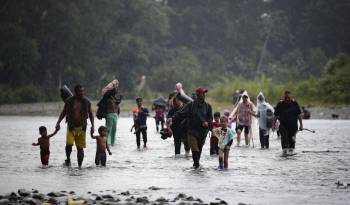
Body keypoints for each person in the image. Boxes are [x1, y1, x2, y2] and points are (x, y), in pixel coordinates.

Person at [169, 86, 213, 169]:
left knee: (198, 152)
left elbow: (210, 118)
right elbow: (180, 113)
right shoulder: (191, 105)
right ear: (198, 94)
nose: (204, 94)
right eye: (202, 93)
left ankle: (196, 166)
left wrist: (207, 123)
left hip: (203, 133)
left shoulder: (208, 106)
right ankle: (196, 167)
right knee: (195, 149)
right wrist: (172, 118)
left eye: (204, 93)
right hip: (192, 132)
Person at [56, 84, 95, 168]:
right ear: (75, 92)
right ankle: (68, 158)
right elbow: (64, 112)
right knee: (69, 145)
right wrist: (58, 122)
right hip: (71, 127)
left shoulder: (86, 102)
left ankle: (79, 166)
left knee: (80, 149)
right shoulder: (69, 101)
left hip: (82, 128)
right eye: (80, 91)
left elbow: (91, 114)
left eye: (83, 91)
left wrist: (93, 126)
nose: (82, 93)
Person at [273, 91, 303, 155]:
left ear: (291, 97)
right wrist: (273, 125)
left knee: (292, 143)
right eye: (285, 97)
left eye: (288, 97)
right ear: (283, 97)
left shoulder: (295, 103)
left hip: (293, 126)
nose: (287, 99)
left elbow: (299, 115)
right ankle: (284, 152)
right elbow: (275, 115)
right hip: (283, 126)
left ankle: (291, 154)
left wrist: (301, 125)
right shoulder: (280, 104)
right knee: (284, 138)